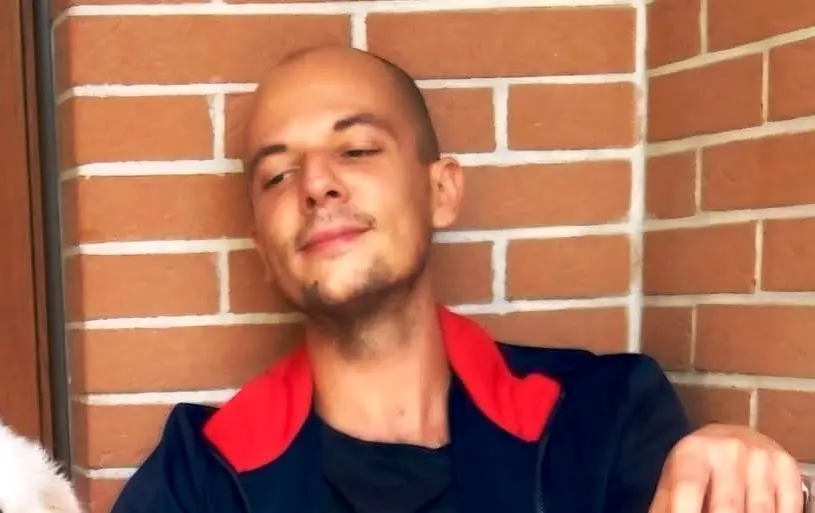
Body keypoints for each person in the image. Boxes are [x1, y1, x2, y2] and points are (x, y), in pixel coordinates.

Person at [110, 45, 806, 513]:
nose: (316, 183)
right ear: (263, 248)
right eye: (276, 175)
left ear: (440, 191)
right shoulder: (196, 477)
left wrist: (737, 470)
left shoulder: (603, 419)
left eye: (356, 149)